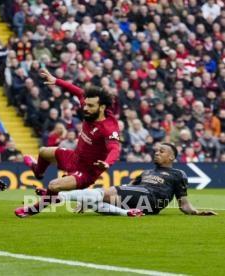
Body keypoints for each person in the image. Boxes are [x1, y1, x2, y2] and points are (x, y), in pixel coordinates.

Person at [15, 68, 120, 217]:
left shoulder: (108, 128)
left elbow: (114, 148)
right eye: (85, 104)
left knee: (53, 185)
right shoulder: (91, 107)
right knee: (44, 151)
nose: (85, 107)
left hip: (85, 172)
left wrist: (108, 163)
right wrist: (56, 81)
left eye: (90, 106)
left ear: (102, 107)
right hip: (74, 157)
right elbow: (78, 91)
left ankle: (33, 210)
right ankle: (38, 172)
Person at [57, 143, 217, 216]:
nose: (157, 153)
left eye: (162, 151)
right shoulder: (146, 172)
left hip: (152, 197)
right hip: (142, 203)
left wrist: (196, 213)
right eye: (156, 151)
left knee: (103, 192)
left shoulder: (178, 173)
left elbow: (184, 204)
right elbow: (129, 186)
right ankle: (127, 213)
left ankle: (60, 196)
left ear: (171, 157)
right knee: (97, 203)